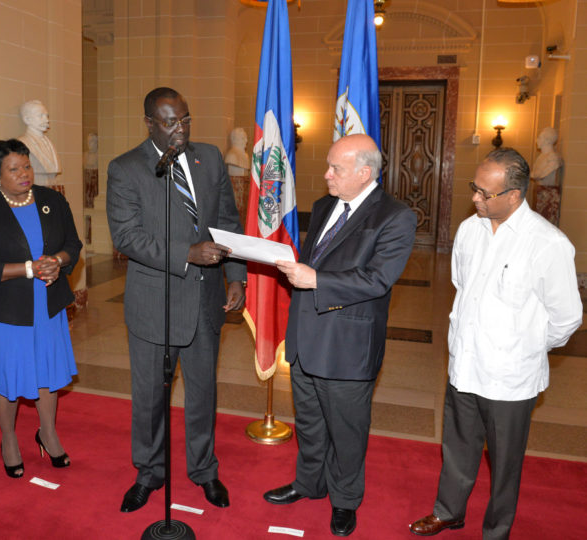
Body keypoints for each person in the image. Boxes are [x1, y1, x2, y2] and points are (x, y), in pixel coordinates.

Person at [409, 148, 582, 539]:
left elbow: (567, 317)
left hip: (510, 377)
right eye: (475, 188)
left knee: (505, 463)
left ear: (514, 195)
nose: (475, 198)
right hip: (465, 364)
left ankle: (496, 530)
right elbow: (461, 284)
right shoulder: (470, 230)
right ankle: (448, 511)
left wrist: (526, 346)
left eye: (484, 193)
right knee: (457, 446)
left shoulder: (547, 243)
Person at [265, 134, 417, 537]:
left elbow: (377, 279)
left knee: (347, 431)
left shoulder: (395, 217)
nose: (327, 175)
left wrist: (316, 279)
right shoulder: (324, 205)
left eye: (336, 168)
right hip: (306, 337)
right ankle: (309, 483)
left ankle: (346, 500)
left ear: (365, 173)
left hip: (348, 346)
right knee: (309, 423)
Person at [106, 87, 246, 513]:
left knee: (203, 394)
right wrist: (186, 253)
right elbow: (127, 237)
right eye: (170, 122)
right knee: (150, 397)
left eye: (185, 119)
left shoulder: (210, 158)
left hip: (205, 300)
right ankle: (149, 472)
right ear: (149, 123)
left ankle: (204, 470)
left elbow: (227, 220)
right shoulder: (126, 168)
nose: (180, 129)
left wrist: (235, 276)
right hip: (154, 304)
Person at [0, 139, 82, 478]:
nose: (24, 174)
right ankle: (9, 438)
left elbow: (73, 244)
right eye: (14, 169)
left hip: (46, 303)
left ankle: (48, 433)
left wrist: (57, 261)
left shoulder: (52, 200)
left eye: (26, 166)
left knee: (47, 371)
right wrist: (29, 268)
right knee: (8, 374)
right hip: (4, 309)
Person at [18, 100, 61, 186]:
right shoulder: (23, 142)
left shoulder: (49, 142)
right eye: (40, 116)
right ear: (27, 119)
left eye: (47, 116)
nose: (47, 120)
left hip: (51, 185)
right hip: (36, 184)